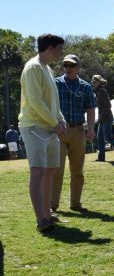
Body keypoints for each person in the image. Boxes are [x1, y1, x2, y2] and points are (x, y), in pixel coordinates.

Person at [19, 34, 67, 233]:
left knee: (50, 170)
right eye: (59, 49)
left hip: (49, 127)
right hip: (33, 127)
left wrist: (61, 119)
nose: (61, 53)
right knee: (38, 171)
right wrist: (54, 122)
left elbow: (52, 101)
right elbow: (35, 101)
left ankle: (47, 213)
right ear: (50, 48)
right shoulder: (33, 67)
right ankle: (41, 219)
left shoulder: (47, 69)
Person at [52, 54, 96, 214]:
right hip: (59, 131)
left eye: (71, 65)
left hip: (78, 130)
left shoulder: (85, 87)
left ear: (78, 67)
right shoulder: (55, 83)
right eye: (66, 65)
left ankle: (75, 203)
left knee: (77, 170)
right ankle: (52, 205)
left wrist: (91, 129)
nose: (68, 68)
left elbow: (91, 109)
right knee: (56, 169)